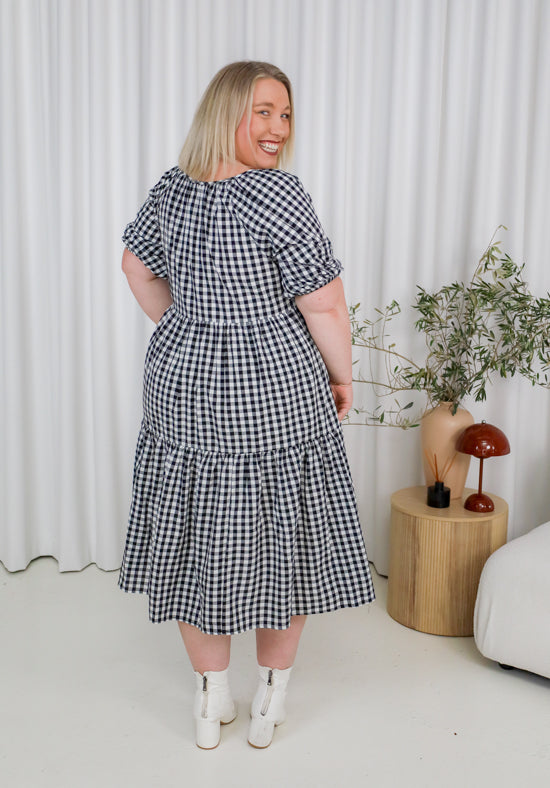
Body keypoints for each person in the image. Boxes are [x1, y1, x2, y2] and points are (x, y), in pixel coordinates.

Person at [119, 60, 375, 750]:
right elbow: (321, 299)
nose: (277, 128)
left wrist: (186, 324)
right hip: (278, 383)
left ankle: (211, 701)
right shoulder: (277, 195)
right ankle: (271, 701)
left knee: (196, 535)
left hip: (183, 383)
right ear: (226, 111)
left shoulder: (173, 190)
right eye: (262, 111)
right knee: (281, 543)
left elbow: (136, 266)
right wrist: (342, 373)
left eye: (285, 114)